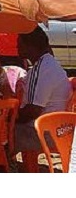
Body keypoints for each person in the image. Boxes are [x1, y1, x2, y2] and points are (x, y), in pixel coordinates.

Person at [14, 26, 73, 171]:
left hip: (44, 132)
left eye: (19, 44)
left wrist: (11, 118)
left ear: (29, 46)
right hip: (59, 128)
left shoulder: (41, 69)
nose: (16, 47)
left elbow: (32, 111)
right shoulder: (51, 64)